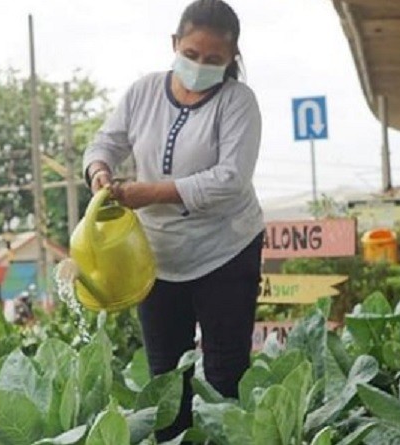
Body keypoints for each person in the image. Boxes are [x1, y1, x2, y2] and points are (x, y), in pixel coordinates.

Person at [82, 0, 264, 440]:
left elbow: (230, 179)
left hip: (226, 252)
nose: (200, 65)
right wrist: (99, 171)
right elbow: (103, 142)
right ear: (175, 45)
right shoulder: (144, 91)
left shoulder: (238, 102)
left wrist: (149, 193)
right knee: (166, 382)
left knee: (225, 377)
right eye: (192, 54)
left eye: (214, 60)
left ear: (232, 58)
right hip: (158, 259)